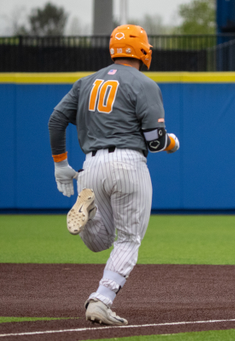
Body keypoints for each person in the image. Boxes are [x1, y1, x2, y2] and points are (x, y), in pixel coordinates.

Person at [48, 24, 179, 325]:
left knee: (99, 241)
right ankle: (101, 300)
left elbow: (56, 120)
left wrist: (60, 164)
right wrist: (172, 143)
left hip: (90, 166)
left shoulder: (86, 81)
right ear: (143, 50)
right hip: (128, 162)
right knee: (129, 239)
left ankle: (88, 210)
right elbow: (156, 141)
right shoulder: (143, 83)